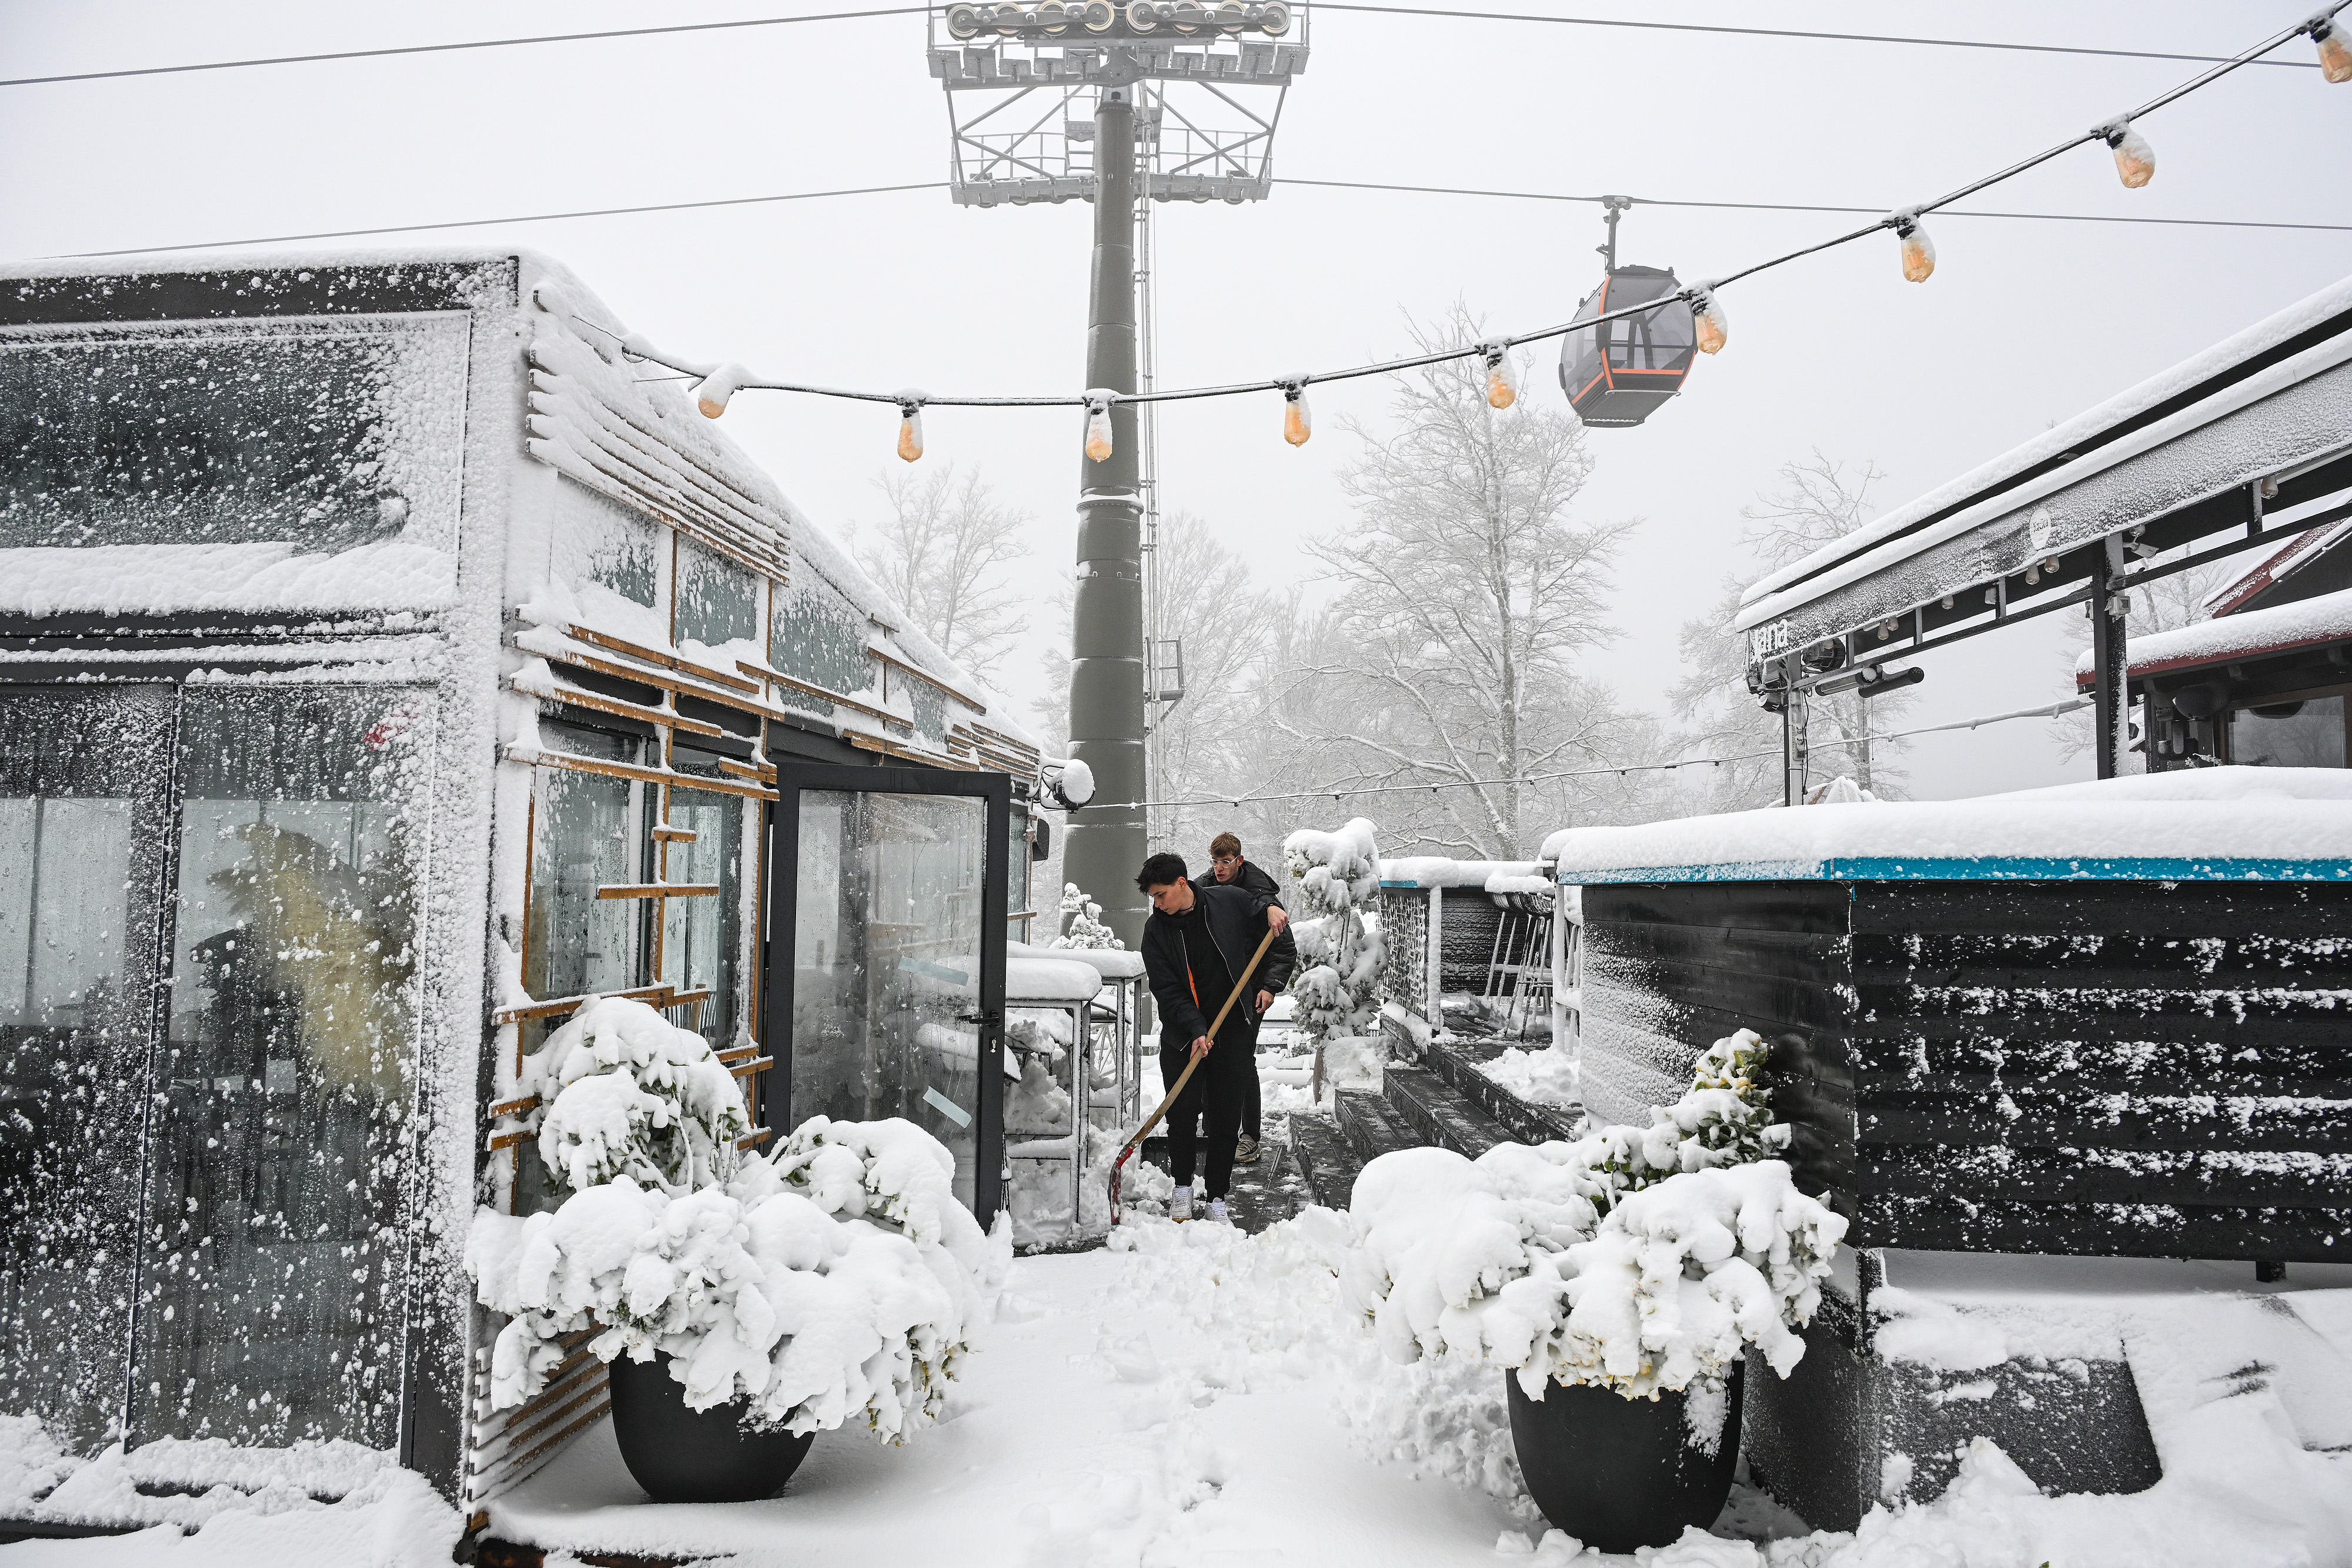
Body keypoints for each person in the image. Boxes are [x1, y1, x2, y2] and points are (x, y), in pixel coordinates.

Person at [1136, 851, 1296, 1223]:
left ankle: (1218, 1197)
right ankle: (1181, 1189)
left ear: (1182, 884)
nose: (1157, 904)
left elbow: (1261, 898)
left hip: (1233, 1031)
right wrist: (1195, 1029)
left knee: (1225, 1118)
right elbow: (1166, 988)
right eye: (1153, 898)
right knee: (1182, 1112)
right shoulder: (1155, 930)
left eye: (1161, 895)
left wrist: (1271, 908)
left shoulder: (1226, 902)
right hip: (1183, 1035)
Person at [1190, 833, 1288, 1165]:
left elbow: (1285, 949)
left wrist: (1270, 986)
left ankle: (1249, 1136)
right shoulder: (1203, 890)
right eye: (1215, 861)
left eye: (1226, 862)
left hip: (1250, 992)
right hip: (1214, 991)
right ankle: (1215, 1129)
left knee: (1242, 1062)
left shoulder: (1264, 900)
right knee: (1208, 1055)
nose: (1219, 868)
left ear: (1239, 861)